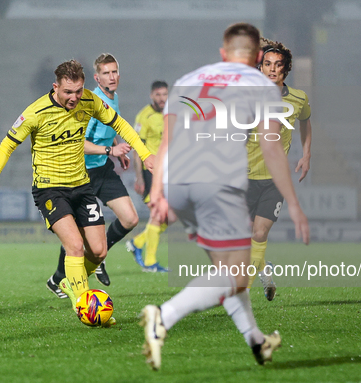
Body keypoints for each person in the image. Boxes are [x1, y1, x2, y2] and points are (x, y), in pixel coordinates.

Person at [140, 23, 310, 370]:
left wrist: (157, 192)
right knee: (236, 274)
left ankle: (257, 341)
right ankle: (163, 316)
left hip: (177, 182)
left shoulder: (189, 79)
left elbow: (166, 142)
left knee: (226, 270)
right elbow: (272, 147)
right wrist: (293, 202)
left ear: (222, 53)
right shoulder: (262, 87)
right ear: (258, 59)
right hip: (216, 183)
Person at [0, 60, 154, 327]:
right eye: (68, 92)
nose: (74, 98)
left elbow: (121, 125)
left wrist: (145, 153)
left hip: (82, 186)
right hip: (50, 189)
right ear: (55, 86)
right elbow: (7, 145)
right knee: (75, 246)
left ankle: (72, 280)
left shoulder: (90, 101)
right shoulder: (36, 112)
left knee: (99, 251)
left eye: (79, 91)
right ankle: (84, 305)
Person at [46, 53, 140, 295]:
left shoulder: (114, 98)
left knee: (130, 219)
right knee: (75, 233)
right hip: (82, 171)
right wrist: (111, 149)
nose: (112, 77)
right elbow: (77, 142)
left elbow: (109, 124)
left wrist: (117, 147)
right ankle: (58, 279)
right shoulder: (88, 102)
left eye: (114, 72)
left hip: (103, 169)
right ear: (97, 78)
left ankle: (99, 257)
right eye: (106, 73)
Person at [245, 38, 312, 301]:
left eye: (278, 65)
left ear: (286, 69)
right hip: (245, 176)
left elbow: (306, 121)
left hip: (275, 180)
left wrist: (306, 154)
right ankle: (265, 272)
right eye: (267, 64)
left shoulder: (298, 98)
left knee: (259, 233)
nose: (272, 69)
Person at [126, 81, 169, 272]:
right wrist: (140, 178)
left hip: (167, 171)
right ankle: (150, 262)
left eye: (165, 94)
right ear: (152, 95)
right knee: (157, 215)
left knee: (168, 217)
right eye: (158, 95)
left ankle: (137, 242)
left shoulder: (170, 114)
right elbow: (136, 149)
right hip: (150, 171)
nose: (162, 98)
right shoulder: (145, 116)